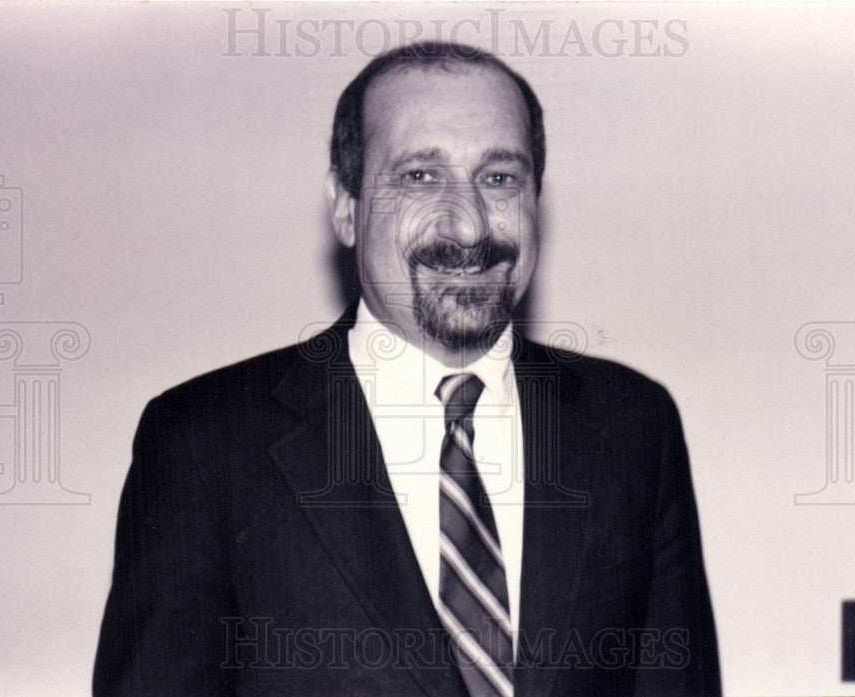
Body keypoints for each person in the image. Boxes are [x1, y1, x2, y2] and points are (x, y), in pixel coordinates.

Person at [93, 41, 721, 697]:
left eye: (500, 177)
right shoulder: (204, 443)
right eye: (420, 177)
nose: (470, 226)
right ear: (344, 204)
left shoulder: (634, 425)